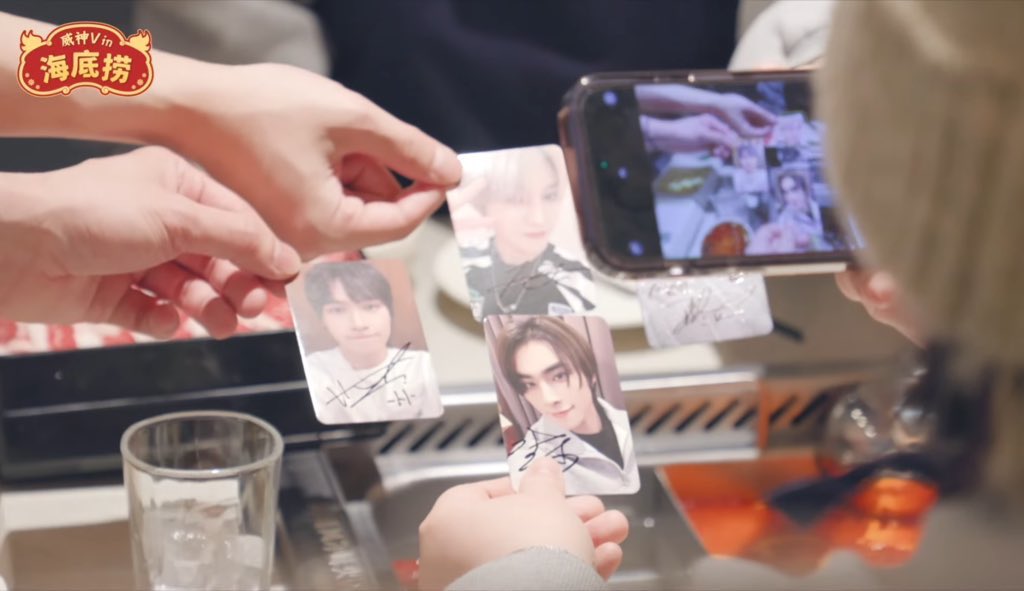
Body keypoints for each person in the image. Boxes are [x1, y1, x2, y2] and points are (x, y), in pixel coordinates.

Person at [494, 317, 639, 496]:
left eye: (559, 376)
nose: (549, 398)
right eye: (529, 385)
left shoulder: (628, 422)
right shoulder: (526, 465)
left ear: (590, 373)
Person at [456, 148, 595, 317]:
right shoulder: (462, 267)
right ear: (484, 201)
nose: (538, 218)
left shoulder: (576, 279)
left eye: (549, 196)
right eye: (517, 199)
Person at [300, 260, 442, 423]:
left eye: (370, 307)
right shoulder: (314, 371)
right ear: (322, 319)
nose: (358, 324)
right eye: (338, 310)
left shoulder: (422, 366)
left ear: (389, 311)